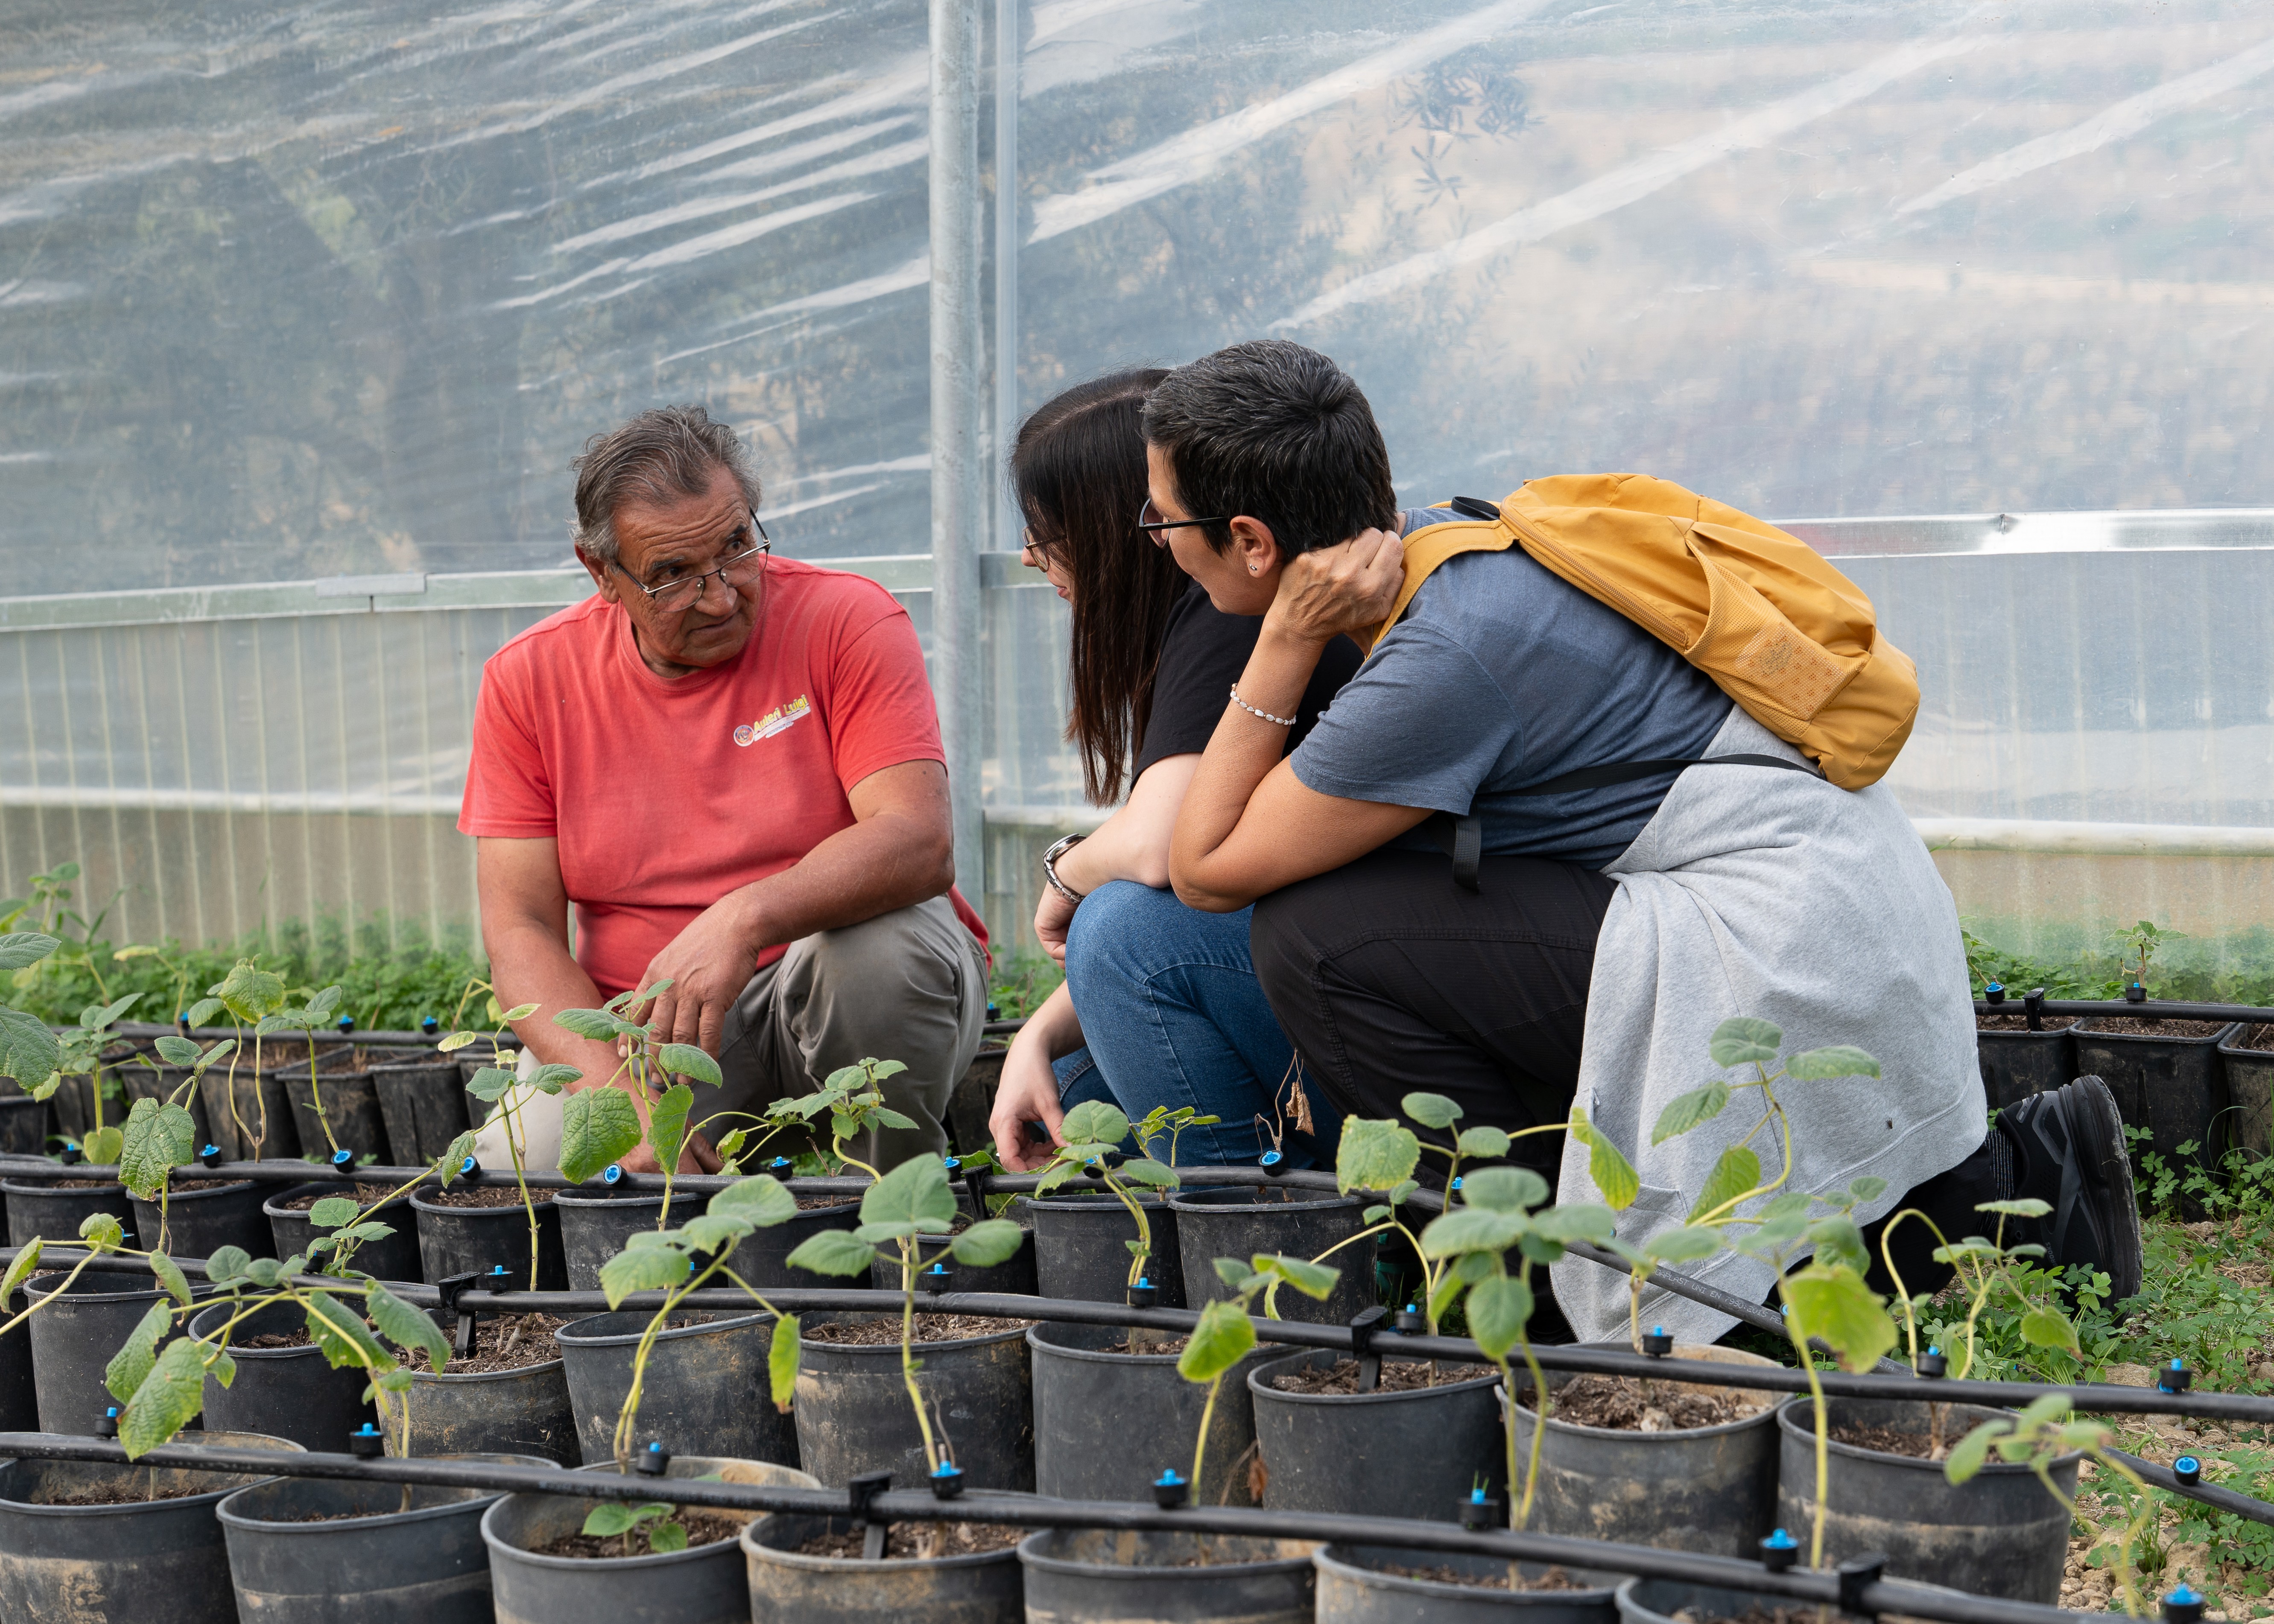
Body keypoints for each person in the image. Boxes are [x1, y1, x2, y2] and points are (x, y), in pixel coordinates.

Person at [1151, 339, 2142, 1343]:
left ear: (1250, 539)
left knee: (1317, 941)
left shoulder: (1440, 656)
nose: (1155, 538)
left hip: (1788, 938)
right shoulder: (1459, 549)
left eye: (1162, 518)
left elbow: (1205, 871)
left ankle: (1532, 1295)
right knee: (1385, 914)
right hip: (1839, 908)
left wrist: (1281, 641)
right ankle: (2011, 1179)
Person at [459, 405, 990, 1173]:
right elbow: (521, 928)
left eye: (737, 546)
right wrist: (624, 1103)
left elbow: (916, 840)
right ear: (600, 573)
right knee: (530, 1172)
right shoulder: (530, 679)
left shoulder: (847, 620)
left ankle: (895, 1212)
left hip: (833, 983)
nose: (720, 596)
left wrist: (741, 919)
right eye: (672, 575)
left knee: (876, 959)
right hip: (660, 1032)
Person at [984, 370, 1358, 1174]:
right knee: (1071, 1092)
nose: (1027, 555)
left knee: (1117, 931)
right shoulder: (1211, 617)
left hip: (1365, 1021)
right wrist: (1039, 1032)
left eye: (1045, 530)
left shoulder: (1236, 620)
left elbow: (1157, 854)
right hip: (1335, 983)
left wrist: (1067, 873)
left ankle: (1243, 1250)